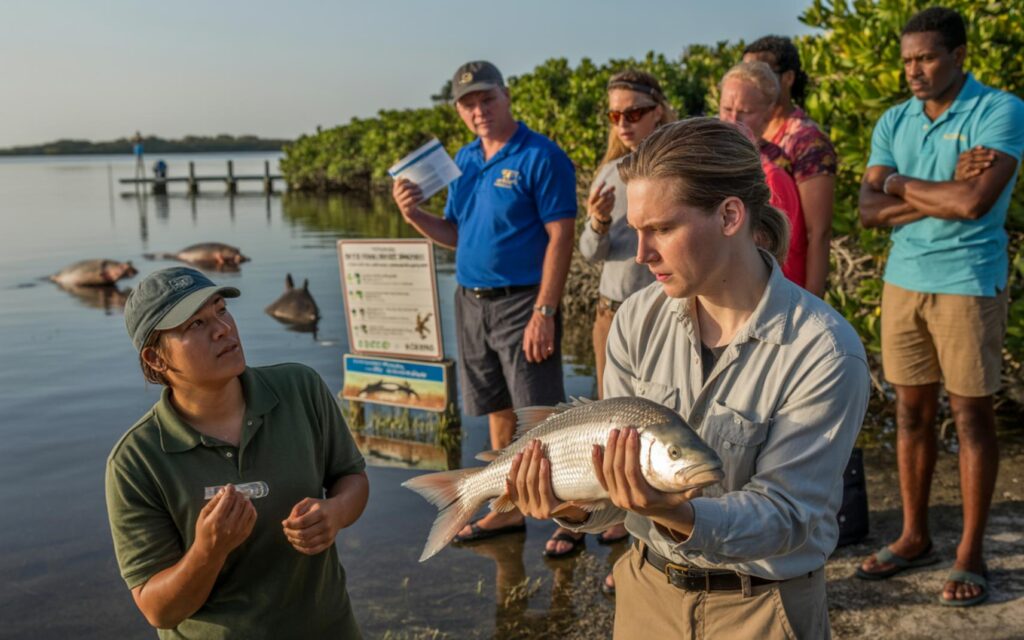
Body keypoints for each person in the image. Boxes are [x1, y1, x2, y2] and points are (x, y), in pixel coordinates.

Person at [506, 118, 869, 638]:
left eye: (662, 229)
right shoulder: (635, 319)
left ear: (729, 216)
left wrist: (674, 512)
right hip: (646, 591)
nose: (641, 253)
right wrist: (567, 505)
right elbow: (615, 484)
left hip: (762, 610)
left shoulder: (824, 350)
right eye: (636, 230)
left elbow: (787, 515)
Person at [855, 7, 1024, 607]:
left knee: (973, 417)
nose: (914, 71)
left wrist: (899, 183)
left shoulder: (1000, 109)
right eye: (907, 60)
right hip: (904, 279)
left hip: (968, 280)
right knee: (909, 412)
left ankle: (971, 552)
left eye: (926, 58)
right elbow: (868, 213)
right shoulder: (893, 119)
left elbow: (976, 202)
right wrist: (931, 191)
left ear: (959, 56)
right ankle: (914, 536)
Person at [105, 267, 369, 637]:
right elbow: (158, 610)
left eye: (220, 310)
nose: (222, 329)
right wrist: (208, 551)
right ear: (155, 359)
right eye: (195, 325)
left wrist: (336, 513)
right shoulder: (136, 461)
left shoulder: (300, 389)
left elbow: (351, 477)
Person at [392, 61, 577, 541]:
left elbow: (562, 236)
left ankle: (570, 517)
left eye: (486, 99)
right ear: (458, 109)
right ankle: (508, 506)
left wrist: (545, 311)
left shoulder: (542, 155)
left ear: (507, 95)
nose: (479, 110)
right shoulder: (464, 160)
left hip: (523, 302)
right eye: (468, 103)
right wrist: (414, 216)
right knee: (495, 406)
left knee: (539, 415)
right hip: (471, 300)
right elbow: (455, 233)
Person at [562, 68, 675, 590]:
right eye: (615, 115)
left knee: (659, 433)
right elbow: (591, 256)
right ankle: (613, 518)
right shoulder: (610, 172)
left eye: (634, 112)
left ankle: (644, 545)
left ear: (659, 110)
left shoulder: (676, 164)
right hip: (610, 312)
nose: (624, 123)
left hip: (661, 314)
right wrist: (599, 223)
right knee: (612, 429)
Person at [743, 36, 836, 297]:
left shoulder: (807, 140)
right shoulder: (750, 130)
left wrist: (813, 301)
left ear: (787, 78)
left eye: (761, 73)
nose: (752, 81)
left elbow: (818, 231)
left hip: (788, 284)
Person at [718, 60, 808, 288]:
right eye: (726, 109)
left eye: (745, 112)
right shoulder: (721, 164)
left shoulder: (771, 176)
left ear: (768, 116)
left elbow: (769, 256)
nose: (732, 119)